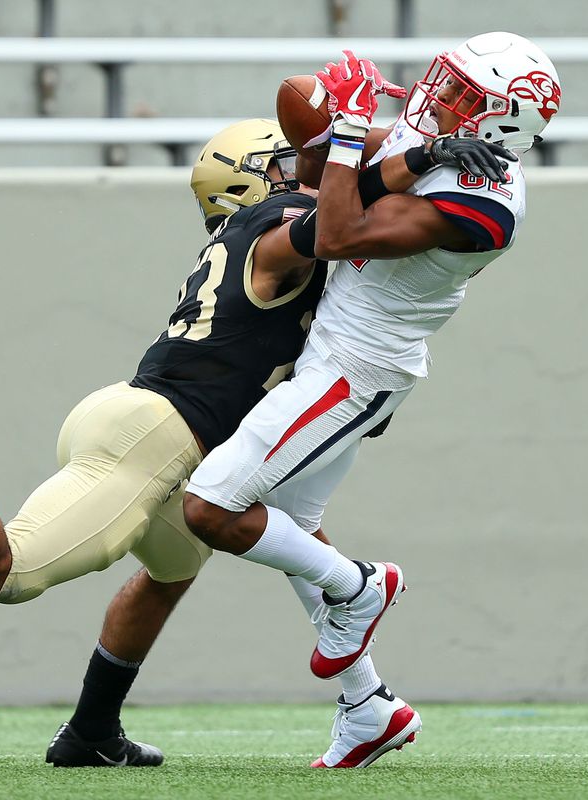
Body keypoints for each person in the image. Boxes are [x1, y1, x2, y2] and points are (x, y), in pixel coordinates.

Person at [0, 117, 513, 767]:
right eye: (287, 163)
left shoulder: (252, 229)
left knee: (171, 568)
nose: (308, 170)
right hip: (156, 435)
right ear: (260, 181)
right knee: (12, 570)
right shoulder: (278, 226)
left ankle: (92, 730)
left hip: (154, 427)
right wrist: (419, 158)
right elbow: (345, 222)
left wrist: (426, 152)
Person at [180, 33, 561, 768]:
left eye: (462, 98)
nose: (436, 101)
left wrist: (355, 131)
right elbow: (332, 173)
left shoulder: (483, 207)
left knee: (210, 508)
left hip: (353, 371)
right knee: (290, 526)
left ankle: (362, 587)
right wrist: (356, 138)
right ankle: (368, 707)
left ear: (502, 124)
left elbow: (336, 229)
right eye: (446, 83)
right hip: (336, 355)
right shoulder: (449, 137)